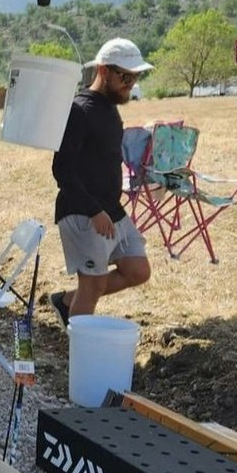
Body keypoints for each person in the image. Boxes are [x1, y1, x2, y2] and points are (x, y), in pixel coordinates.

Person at [50, 37, 152, 325]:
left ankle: (68, 301)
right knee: (92, 286)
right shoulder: (79, 111)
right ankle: (81, 357)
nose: (131, 82)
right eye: (125, 76)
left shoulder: (110, 107)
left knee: (137, 270)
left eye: (136, 76)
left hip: (111, 208)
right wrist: (93, 210)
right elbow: (62, 170)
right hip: (83, 211)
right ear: (104, 71)